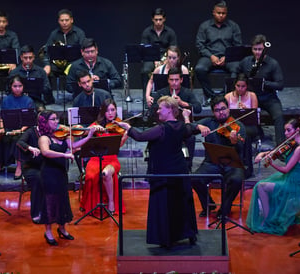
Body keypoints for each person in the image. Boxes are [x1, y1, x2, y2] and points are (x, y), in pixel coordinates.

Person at [115, 96, 207, 247]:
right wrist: (197, 126)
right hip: (179, 171)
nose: (157, 111)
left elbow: (140, 136)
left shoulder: (161, 129)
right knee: (182, 204)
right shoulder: (181, 126)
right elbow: (191, 129)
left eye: (160, 108)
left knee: (164, 205)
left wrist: (128, 128)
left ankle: (166, 238)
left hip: (163, 173)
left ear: (170, 110)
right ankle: (188, 234)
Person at [37, 110, 96, 246]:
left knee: (62, 200)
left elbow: (73, 146)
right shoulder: (44, 138)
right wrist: (64, 155)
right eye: (53, 119)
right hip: (48, 174)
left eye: (57, 119)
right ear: (45, 122)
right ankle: (48, 232)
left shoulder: (64, 135)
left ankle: (62, 229)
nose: (56, 122)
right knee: (49, 202)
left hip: (61, 173)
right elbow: (45, 152)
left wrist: (89, 136)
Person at [247, 119, 300, 235]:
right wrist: (263, 154)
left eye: (288, 130)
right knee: (262, 185)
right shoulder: (292, 143)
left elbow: (286, 170)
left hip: (295, 182)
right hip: (289, 177)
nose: (286, 133)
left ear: (297, 130)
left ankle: (267, 221)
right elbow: (276, 151)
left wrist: (271, 163)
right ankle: (268, 216)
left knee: (261, 187)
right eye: (285, 130)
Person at [192, 96, 246, 218]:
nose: (221, 112)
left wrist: (234, 142)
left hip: (232, 164)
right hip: (212, 163)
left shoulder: (238, 126)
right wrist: (198, 126)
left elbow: (241, 148)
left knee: (236, 180)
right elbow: (189, 127)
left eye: (223, 109)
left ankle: (225, 209)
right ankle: (209, 205)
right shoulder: (208, 122)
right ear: (213, 112)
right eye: (217, 110)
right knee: (194, 179)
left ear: (228, 109)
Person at [79, 98, 128, 216]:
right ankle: (91, 204)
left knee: (106, 173)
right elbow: (82, 132)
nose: (110, 113)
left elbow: (119, 145)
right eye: (107, 110)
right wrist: (92, 130)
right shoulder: (96, 124)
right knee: (90, 176)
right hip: (95, 159)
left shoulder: (119, 125)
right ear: (103, 112)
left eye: (113, 110)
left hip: (112, 159)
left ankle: (111, 202)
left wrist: (127, 132)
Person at [150, 67, 202, 172]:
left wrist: (183, 103)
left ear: (181, 80)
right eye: (171, 80)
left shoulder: (187, 93)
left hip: (182, 128)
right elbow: (152, 111)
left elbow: (198, 108)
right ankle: (152, 169)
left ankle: (188, 167)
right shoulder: (161, 93)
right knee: (153, 137)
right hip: (165, 128)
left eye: (177, 80)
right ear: (168, 80)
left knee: (191, 138)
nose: (174, 83)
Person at [238, 34, 285, 145]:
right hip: (251, 97)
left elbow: (280, 84)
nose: (258, 52)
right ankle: (256, 136)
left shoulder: (273, 64)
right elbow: (236, 75)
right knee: (245, 114)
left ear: (265, 50)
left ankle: (280, 145)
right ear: (251, 48)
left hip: (269, 97)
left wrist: (264, 83)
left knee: (278, 116)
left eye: (260, 49)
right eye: (255, 49)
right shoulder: (245, 62)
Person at [195, 0, 242, 106]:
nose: (221, 15)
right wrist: (211, 56)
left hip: (228, 57)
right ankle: (211, 96)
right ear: (213, 12)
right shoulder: (205, 26)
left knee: (238, 68)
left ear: (226, 13)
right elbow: (199, 45)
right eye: (218, 13)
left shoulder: (233, 26)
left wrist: (227, 57)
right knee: (199, 69)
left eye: (223, 13)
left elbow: (238, 46)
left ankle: (226, 96)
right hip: (209, 56)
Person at [0, 75, 35, 179]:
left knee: (17, 140)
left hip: (24, 129)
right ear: (11, 87)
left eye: (20, 86)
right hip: (8, 128)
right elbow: (2, 117)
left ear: (23, 87)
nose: (17, 88)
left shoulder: (28, 101)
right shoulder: (6, 100)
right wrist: (2, 128)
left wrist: (19, 130)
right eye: (15, 86)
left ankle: (19, 167)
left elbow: (29, 121)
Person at [225, 73, 259, 178]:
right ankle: (234, 168)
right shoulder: (228, 97)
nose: (240, 89)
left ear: (247, 86)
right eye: (238, 86)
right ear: (234, 85)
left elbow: (255, 115)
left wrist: (246, 110)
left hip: (250, 126)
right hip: (234, 126)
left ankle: (247, 168)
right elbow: (225, 115)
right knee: (240, 134)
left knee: (246, 135)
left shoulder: (252, 96)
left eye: (243, 86)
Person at [140, 8, 177, 94]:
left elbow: (173, 49)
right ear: (152, 19)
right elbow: (144, 49)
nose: (158, 22)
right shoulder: (147, 32)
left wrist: (166, 60)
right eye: (156, 20)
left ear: (164, 19)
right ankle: (146, 98)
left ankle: (170, 95)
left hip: (167, 58)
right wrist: (154, 60)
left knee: (173, 70)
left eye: (160, 19)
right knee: (145, 71)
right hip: (150, 58)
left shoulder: (170, 32)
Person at [42, 9, 86, 79]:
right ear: (58, 21)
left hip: (74, 65)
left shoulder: (79, 33)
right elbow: (46, 51)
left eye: (67, 20)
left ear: (72, 20)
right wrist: (47, 65)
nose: (64, 23)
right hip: (57, 67)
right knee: (46, 72)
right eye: (62, 20)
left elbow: (84, 51)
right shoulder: (54, 34)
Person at [16, 120, 45, 224]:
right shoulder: (31, 132)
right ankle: (36, 212)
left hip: (46, 165)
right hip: (30, 166)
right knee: (38, 179)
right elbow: (20, 142)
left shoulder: (51, 132)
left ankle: (55, 210)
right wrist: (30, 148)